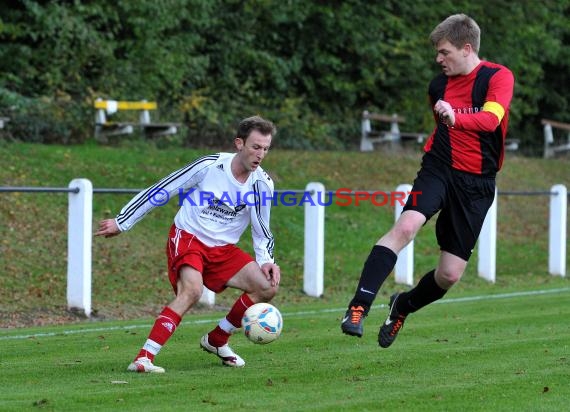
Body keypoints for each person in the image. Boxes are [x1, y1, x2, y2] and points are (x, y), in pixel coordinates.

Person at [341, 14, 515, 348]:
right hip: (440, 168)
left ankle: (401, 306)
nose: (438, 59)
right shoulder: (438, 86)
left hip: (477, 183)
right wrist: (449, 120)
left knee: (449, 275)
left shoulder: (498, 76)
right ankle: (358, 305)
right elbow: (442, 127)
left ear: (467, 48)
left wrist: (457, 116)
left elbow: (492, 119)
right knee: (405, 228)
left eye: (444, 52)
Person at [95, 115, 280, 372]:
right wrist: (123, 221)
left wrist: (267, 261)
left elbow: (262, 229)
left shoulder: (262, 185)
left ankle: (218, 339)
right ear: (239, 143)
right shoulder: (210, 166)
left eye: (265, 148)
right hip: (189, 237)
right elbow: (164, 188)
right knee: (192, 291)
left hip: (223, 249)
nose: (260, 154)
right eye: (255, 147)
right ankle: (144, 357)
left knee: (266, 287)